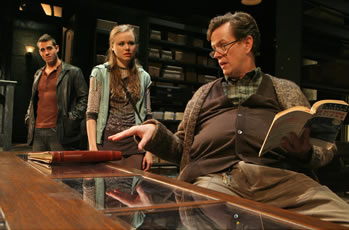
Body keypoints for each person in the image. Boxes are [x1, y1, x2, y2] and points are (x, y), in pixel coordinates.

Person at [108, 12, 349, 227]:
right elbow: (182, 149)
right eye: (214, 48)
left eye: (223, 45)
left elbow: (323, 149)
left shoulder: (284, 89)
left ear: (247, 43)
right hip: (215, 182)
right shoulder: (202, 94)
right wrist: (155, 134)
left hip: (280, 181)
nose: (217, 55)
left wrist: (306, 152)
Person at [86, 24, 153, 171]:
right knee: (105, 191)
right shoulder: (100, 73)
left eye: (130, 43)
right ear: (112, 46)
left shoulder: (144, 77)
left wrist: (149, 151)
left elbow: (148, 116)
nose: (127, 48)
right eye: (121, 43)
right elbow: (91, 113)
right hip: (107, 143)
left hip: (135, 146)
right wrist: (92, 147)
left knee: (133, 190)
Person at [25, 33, 88, 151]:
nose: (46, 52)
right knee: (38, 168)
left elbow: (84, 98)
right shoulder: (38, 73)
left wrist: (72, 120)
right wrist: (28, 117)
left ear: (57, 48)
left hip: (60, 131)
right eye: (42, 50)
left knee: (61, 169)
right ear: (39, 52)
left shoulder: (73, 71)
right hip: (38, 131)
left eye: (49, 48)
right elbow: (33, 99)